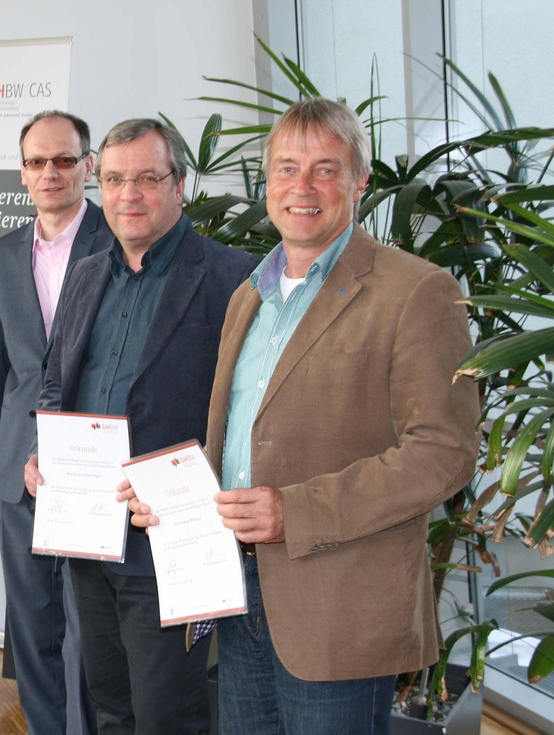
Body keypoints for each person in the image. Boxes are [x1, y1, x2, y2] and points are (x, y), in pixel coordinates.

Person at [127, 97, 480, 733]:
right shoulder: (249, 295)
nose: (303, 187)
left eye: (325, 168)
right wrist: (175, 497)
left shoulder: (417, 291)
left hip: (338, 606)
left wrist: (297, 511)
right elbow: (238, 443)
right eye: (287, 168)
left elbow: (443, 452)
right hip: (239, 593)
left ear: (359, 181)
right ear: (267, 182)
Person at [24, 118, 258, 735]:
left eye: (148, 179)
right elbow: (55, 381)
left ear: (179, 185)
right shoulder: (87, 273)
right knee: (110, 706)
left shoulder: (234, 278)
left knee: (167, 715)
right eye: (116, 179)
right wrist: (40, 452)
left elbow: (254, 409)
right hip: (88, 535)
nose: (129, 194)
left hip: (171, 539)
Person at [0, 110, 112, 735]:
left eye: (64, 160)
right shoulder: (0, 255)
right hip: (16, 475)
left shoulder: (120, 242)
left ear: (89, 166)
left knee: (89, 634)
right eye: (36, 162)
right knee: (32, 628)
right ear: (21, 172)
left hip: (94, 472)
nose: (50, 173)